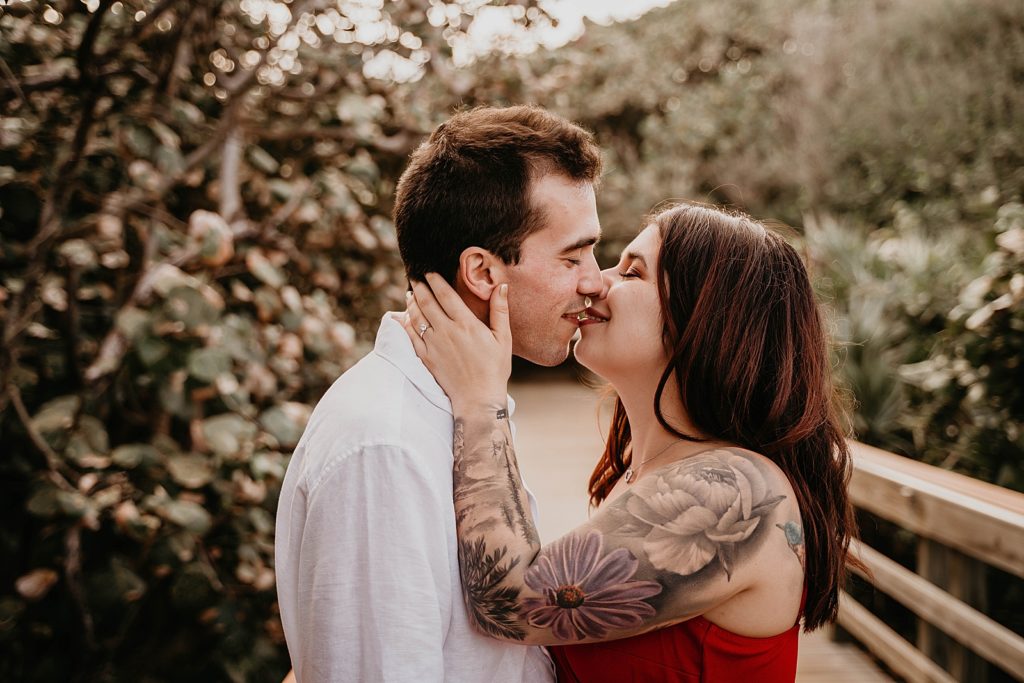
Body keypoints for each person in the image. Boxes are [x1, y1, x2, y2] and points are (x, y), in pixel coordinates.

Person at [402, 202, 863, 682]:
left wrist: (481, 400)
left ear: (705, 317)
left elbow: (509, 601)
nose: (595, 281)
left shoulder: (736, 490)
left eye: (632, 272)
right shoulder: (644, 471)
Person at [274, 105, 607, 682]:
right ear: (481, 272)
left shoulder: (456, 406)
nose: (595, 280)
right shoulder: (383, 447)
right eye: (572, 255)